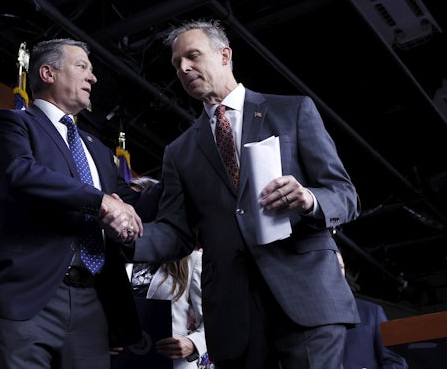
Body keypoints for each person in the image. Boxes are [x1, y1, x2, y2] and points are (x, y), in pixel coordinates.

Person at [105, 19, 362, 369]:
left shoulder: (293, 111)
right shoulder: (179, 152)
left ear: (225, 54)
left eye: (193, 56)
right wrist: (130, 231)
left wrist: (308, 199)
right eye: (177, 64)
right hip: (233, 315)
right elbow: (177, 233)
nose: (183, 68)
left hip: (307, 297)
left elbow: (344, 195)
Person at [0, 38, 144, 369]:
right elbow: (19, 175)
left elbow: (130, 202)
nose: (92, 78)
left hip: (92, 303)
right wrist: (99, 201)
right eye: (82, 67)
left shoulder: (98, 151)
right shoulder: (12, 124)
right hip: (25, 297)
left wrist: (185, 179)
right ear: (48, 73)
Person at [123, 177, 214, 368]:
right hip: (123, 361)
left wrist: (193, 343)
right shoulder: (115, 258)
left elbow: (216, 321)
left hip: (170, 362)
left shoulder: (192, 260)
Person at [337, 252, 409, 369]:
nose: (337, 272)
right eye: (330, 265)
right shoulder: (305, 319)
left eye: (340, 267)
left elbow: (396, 361)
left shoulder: (371, 312)